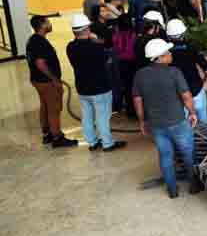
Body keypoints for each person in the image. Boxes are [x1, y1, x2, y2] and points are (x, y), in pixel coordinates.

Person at [132, 38, 201, 199]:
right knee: (188, 153)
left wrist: (142, 120)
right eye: (168, 52)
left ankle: (172, 190)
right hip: (177, 122)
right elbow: (186, 96)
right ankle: (194, 185)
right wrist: (192, 112)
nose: (171, 54)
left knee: (165, 156)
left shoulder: (140, 75)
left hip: (156, 125)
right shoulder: (174, 72)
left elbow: (137, 100)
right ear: (161, 56)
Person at [66, 14, 126, 152]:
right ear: (87, 30)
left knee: (87, 116)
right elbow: (107, 59)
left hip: (82, 88)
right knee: (102, 117)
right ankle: (107, 143)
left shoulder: (70, 47)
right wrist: (96, 40)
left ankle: (92, 142)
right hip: (100, 88)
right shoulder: (96, 47)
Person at [26, 15, 77, 147]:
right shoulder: (40, 42)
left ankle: (47, 134)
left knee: (45, 106)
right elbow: (40, 63)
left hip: (37, 80)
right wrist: (54, 79)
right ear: (42, 25)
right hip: (46, 81)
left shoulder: (33, 40)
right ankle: (57, 137)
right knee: (54, 108)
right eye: (48, 22)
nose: (50, 24)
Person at [166, 19, 207, 123]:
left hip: (177, 94)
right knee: (203, 119)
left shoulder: (164, 51)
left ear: (168, 35)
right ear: (183, 33)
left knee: (185, 122)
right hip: (195, 89)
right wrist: (204, 79)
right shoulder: (191, 47)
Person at [112, 14, 137, 118]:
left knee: (126, 87)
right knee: (134, 87)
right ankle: (135, 110)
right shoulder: (134, 35)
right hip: (133, 64)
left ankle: (129, 110)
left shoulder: (116, 35)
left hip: (121, 64)